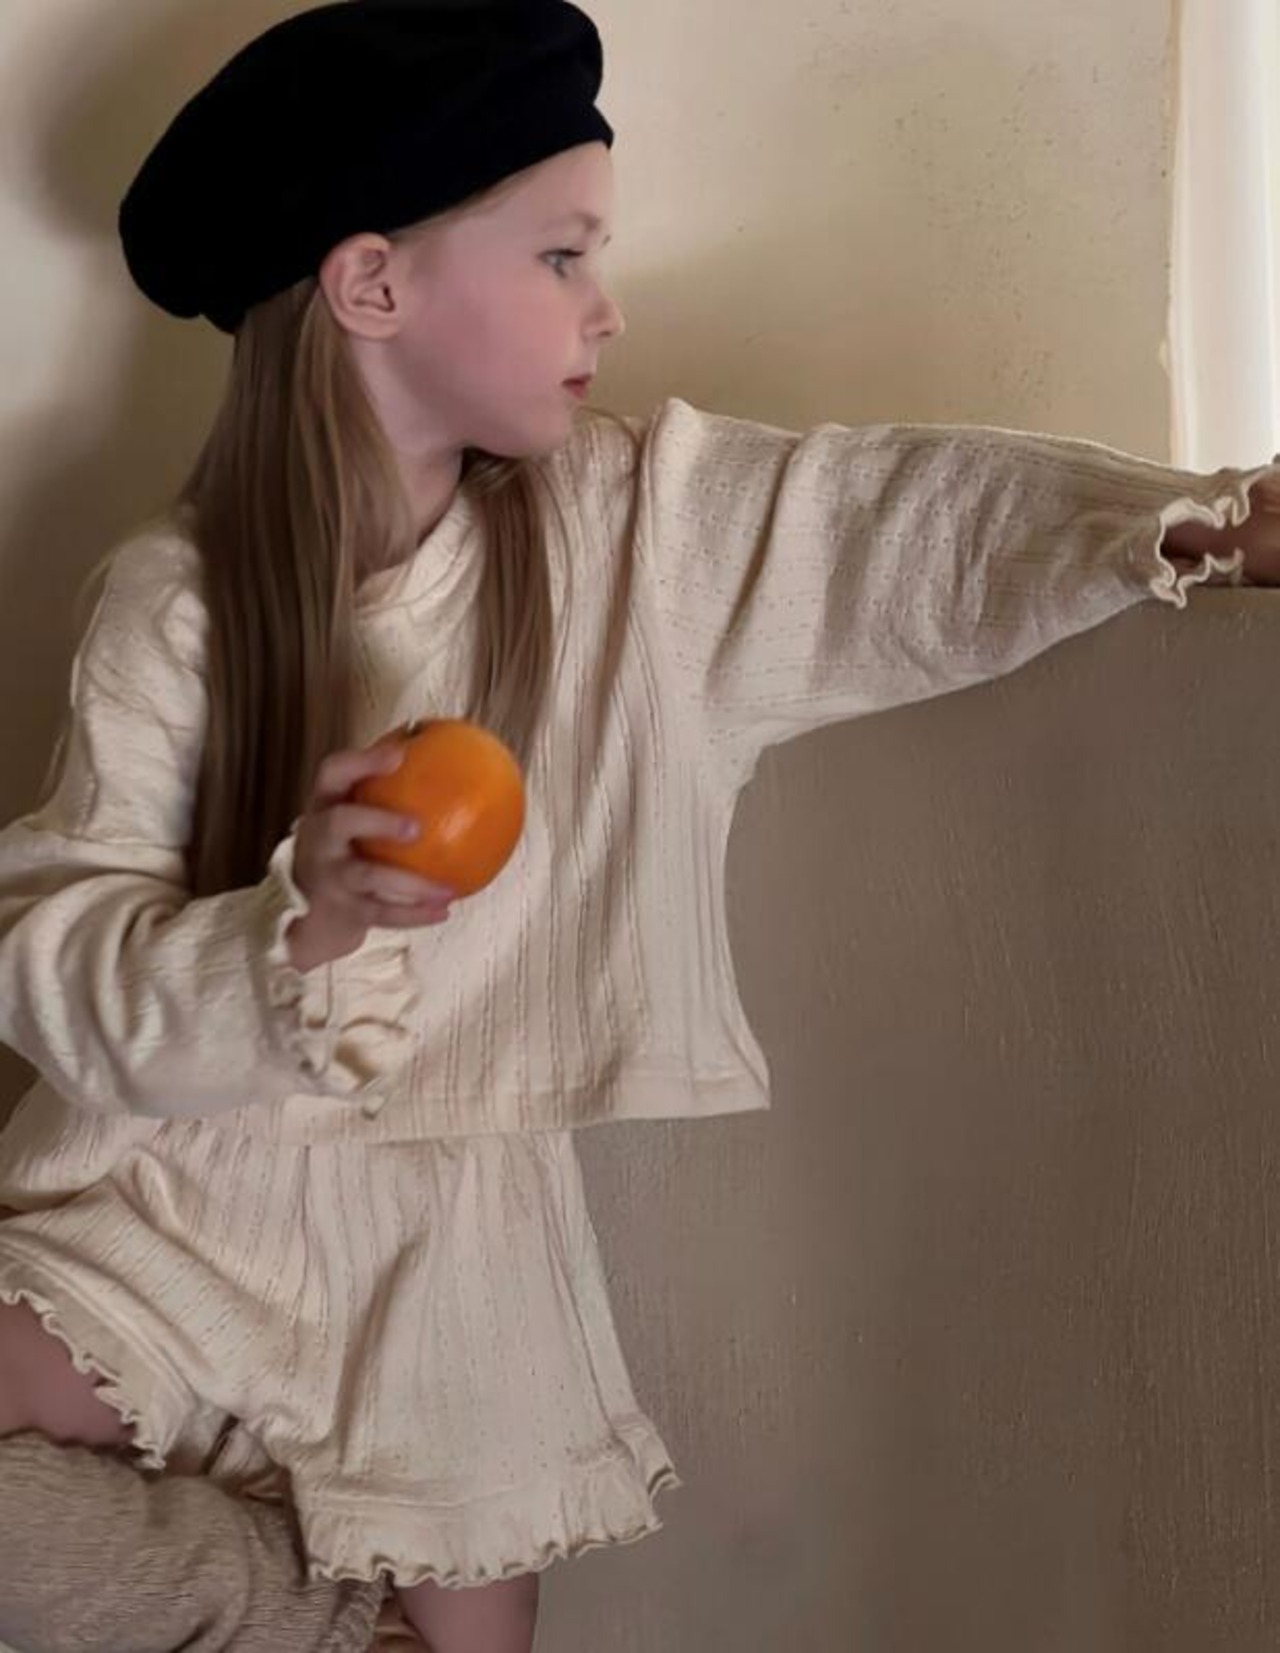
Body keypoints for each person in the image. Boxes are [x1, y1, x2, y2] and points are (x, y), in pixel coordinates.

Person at [0, 1, 1279, 1650]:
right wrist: (293, 924)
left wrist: (1189, 520)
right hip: (175, 1210)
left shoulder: (626, 534)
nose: (606, 305)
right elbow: (57, 945)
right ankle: (312, 1615)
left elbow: (885, 522)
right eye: (561, 254)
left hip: (448, 1279)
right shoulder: (174, 601)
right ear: (373, 284)